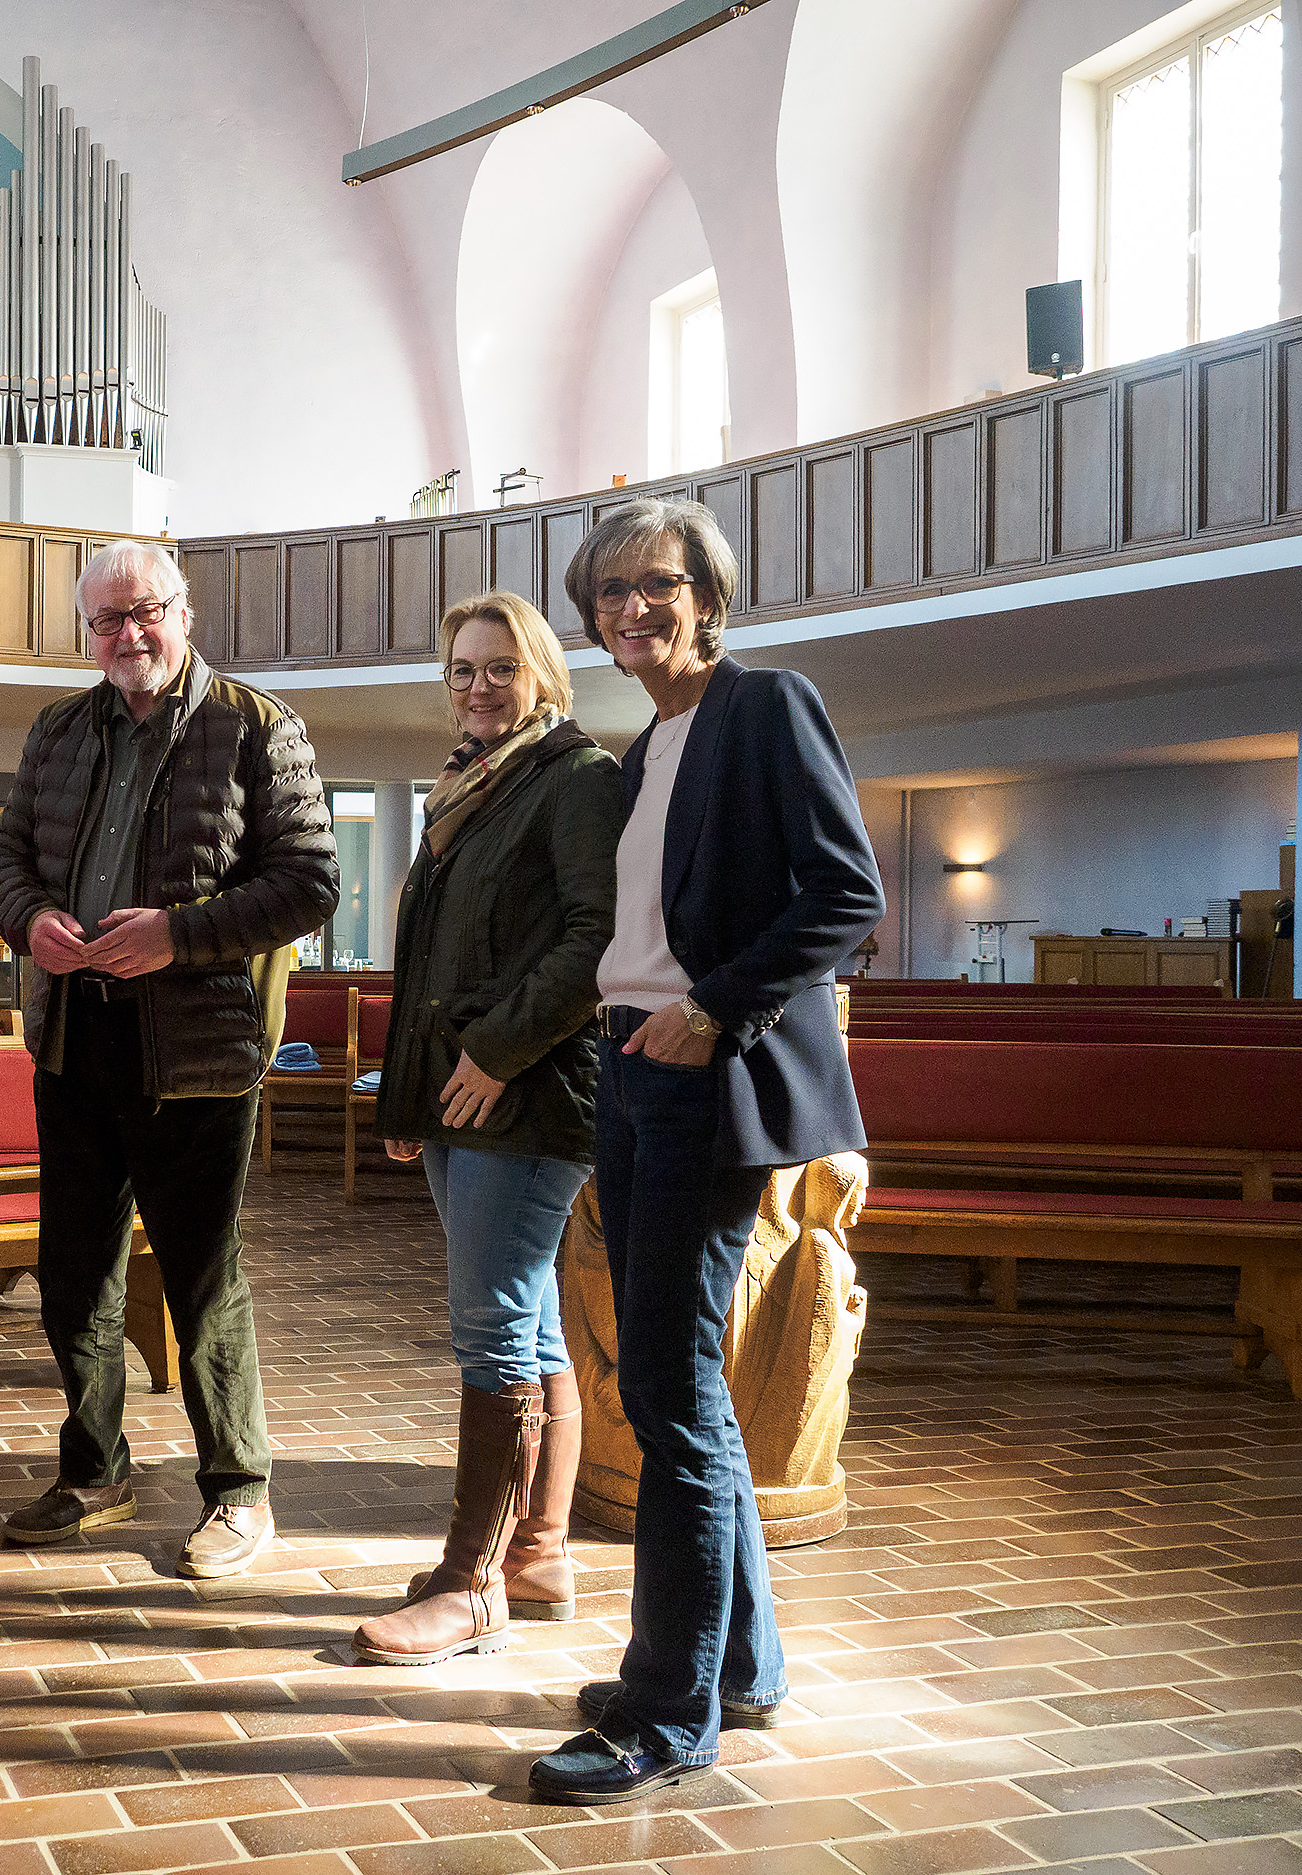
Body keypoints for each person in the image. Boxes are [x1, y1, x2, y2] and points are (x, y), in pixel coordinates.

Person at [529, 498, 883, 1804]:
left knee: (668, 1392)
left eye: (655, 582)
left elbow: (846, 892)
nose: (631, 606)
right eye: (609, 589)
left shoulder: (764, 705)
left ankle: (664, 1712)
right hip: (635, 1064)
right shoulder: (648, 745)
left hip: (704, 1075)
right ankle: (740, 1661)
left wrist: (716, 1004)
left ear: (706, 592)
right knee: (684, 1382)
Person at [0, 541, 337, 1579]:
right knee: (73, 1271)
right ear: (84, 631)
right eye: (105, 621)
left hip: (196, 1051)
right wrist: (31, 918)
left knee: (199, 1274)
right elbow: (8, 857)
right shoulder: (58, 728)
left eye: (143, 614)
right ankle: (94, 1468)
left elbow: (309, 882)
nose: (126, 636)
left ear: (183, 611)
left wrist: (178, 935)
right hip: (72, 1038)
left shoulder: (255, 726)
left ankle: (238, 1492)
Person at [353, 591, 621, 1667]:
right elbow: (432, 968)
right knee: (532, 1325)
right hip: (462, 1094)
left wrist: (491, 1054)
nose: (478, 686)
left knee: (495, 1331)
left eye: (500, 668)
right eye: (462, 669)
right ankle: (538, 1552)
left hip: (527, 1094)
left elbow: (597, 944)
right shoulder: (466, 787)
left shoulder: (576, 781)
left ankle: (471, 1584)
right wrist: (411, 1097)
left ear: (543, 676)